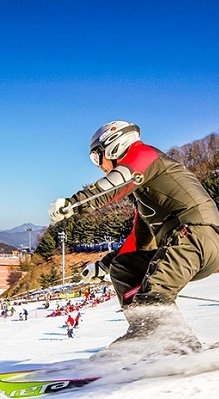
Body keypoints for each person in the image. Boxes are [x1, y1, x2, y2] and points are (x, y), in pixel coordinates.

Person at [49, 120, 219, 354]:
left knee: (154, 294)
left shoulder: (144, 154)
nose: (99, 166)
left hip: (194, 235)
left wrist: (72, 204)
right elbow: (137, 243)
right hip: (189, 243)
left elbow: (113, 185)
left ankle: (182, 350)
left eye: (97, 158)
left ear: (113, 147)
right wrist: (103, 266)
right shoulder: (146, 195)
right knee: (123, 267)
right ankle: (146, 333)